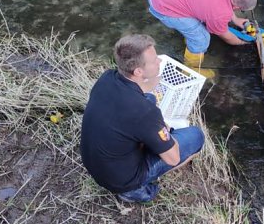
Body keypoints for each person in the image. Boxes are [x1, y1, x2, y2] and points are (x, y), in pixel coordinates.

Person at [80, 34, 205, 203]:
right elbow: (173, 158)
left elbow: (138, 100)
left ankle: (150, 141)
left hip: (96, 164)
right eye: (154, 60)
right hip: (123, 181)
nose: (159, 61)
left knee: (150, 98)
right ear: (138, 71)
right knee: (196, 136)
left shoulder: (107, 78)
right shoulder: (145, 113)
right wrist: (163, 130)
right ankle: (133, 191)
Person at [147, 0, 257, 73]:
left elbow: (227, 1)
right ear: (237, 7)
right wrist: (242, 43)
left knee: (197, 16)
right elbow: (226, 36)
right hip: (162, 5)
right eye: (241, 10)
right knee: (202, 38)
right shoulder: (219, 14)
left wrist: (236, 19)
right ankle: (192, 67)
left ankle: (189, 37)